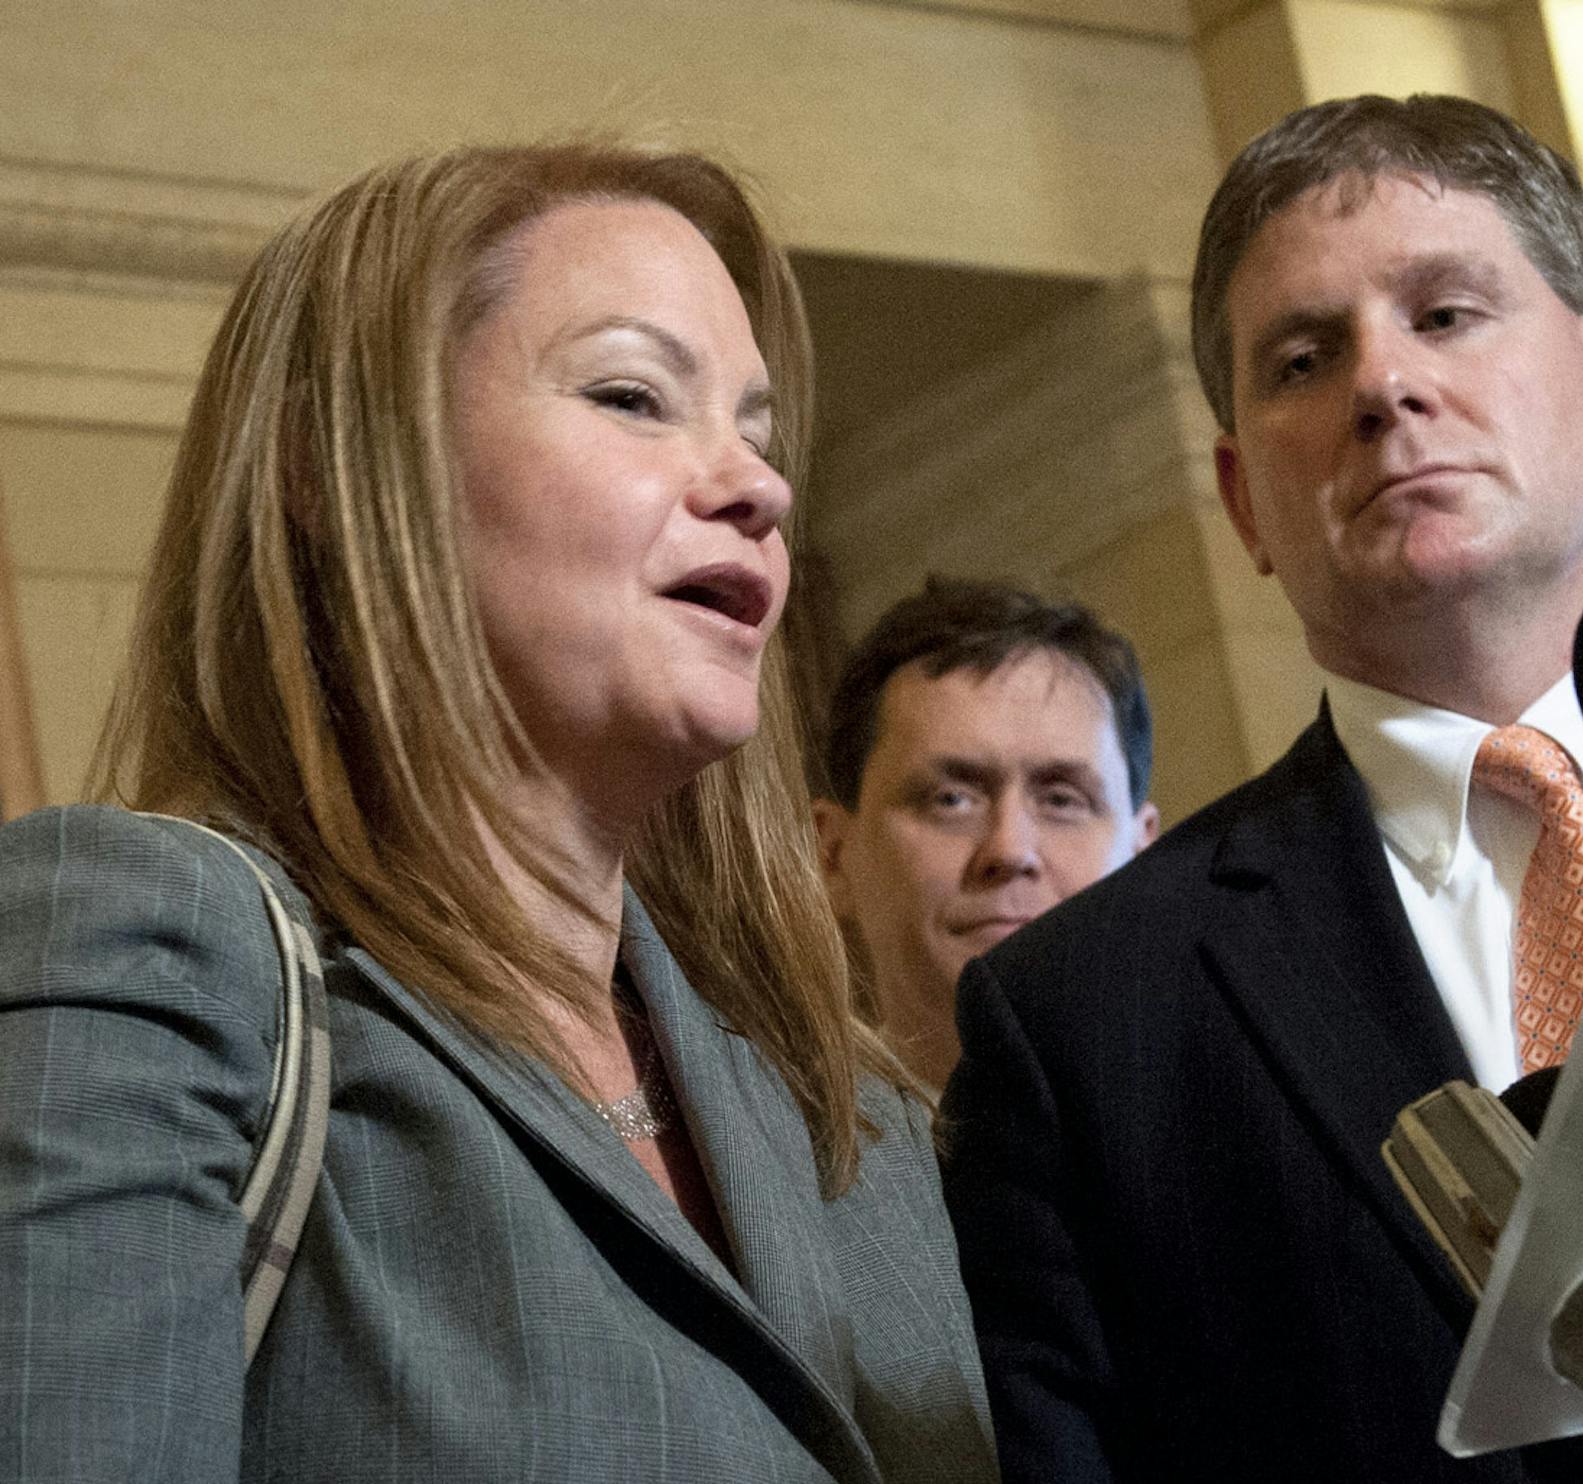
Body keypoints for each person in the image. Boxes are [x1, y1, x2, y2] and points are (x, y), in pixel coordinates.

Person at [0, 142, 996, 1482]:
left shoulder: (851, 1112)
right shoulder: (141, 947)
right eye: (635, 395)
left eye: (757, 435)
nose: (756, 487)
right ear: (333, 470)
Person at [939, 94, 1583, 1482]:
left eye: (1447, 314)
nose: (1382, 385)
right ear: (1242, 504)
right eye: (1303, 357)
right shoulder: (1083, 1023)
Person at [814, 577, 1159, 1091]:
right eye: (951, 799)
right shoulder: (755, 1160)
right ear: (835, 856)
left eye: (1062, 800)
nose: (1010, 850)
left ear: (1143, 854)